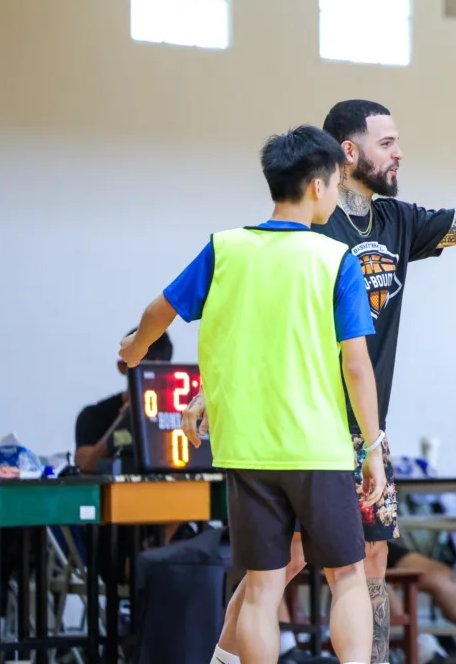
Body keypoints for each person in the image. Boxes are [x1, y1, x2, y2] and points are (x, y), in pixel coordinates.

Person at [188, 87, 456, 664]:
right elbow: (250, 314)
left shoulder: (398, 220)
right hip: (307, 427)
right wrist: (209, 387)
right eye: (387, 143)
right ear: (348, 152)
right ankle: (224, 658)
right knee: (282, 564)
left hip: (368, 429)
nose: (399, 153)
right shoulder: (312, 226)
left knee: (373, 559)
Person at [119, 124, 386, 664]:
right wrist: (373, 446)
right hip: (317, 449)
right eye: (337, 185)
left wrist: (134, 348)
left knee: (262, 587)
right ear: (317, 185)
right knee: (347, 577)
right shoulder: (336, 259)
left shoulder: (224, 248)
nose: (337, 195)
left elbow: (157, 311)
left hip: (245, 450)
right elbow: (357, 366)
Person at [74, 328, 173, 474]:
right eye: (142, 367)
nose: (149, 377)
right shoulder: (94, 416)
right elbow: (85, 467)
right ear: (122, 367)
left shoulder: (177, 416)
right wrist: (124, 421)